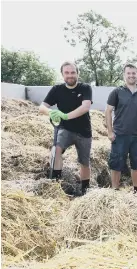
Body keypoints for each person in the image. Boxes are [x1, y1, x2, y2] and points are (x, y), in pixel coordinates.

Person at [38, 61, 92, 195]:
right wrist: (51, 112)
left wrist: (66, 116)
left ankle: (85, 190)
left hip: (83, 131)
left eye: (73, 72)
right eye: (66, 73)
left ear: (78, 73)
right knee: (56, 150)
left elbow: (85, 107)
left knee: (84, 161)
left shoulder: (85, 88)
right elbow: (42, 107)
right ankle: (56, 184)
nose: (70, 75)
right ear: (62, 74)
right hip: (64, 128)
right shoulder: (57, 89)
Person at [105, 63, 137, 192]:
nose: (131, 76)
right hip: (119, 134)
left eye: (134, 73)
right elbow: (108, 111)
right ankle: (115, 190)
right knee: (117, 163)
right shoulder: (117, 92)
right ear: (124, 75)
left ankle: (136, 190)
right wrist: (110, 131)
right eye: (129, 73)